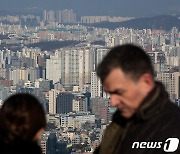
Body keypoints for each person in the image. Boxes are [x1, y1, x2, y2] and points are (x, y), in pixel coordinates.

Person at [94, 44, 180, 154]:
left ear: (146, 82)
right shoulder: (120, 123)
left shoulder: (172, 129)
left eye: (119, 92)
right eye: (110, 93)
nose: (113, 102)